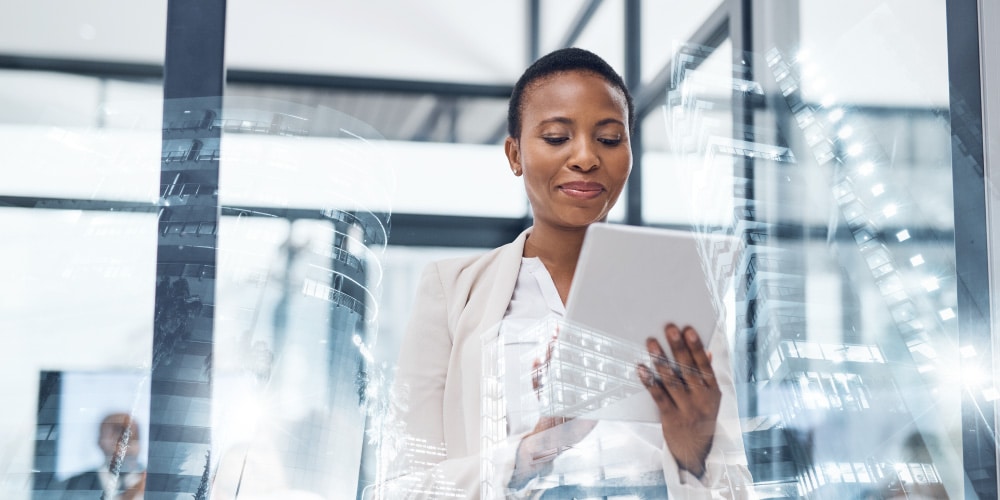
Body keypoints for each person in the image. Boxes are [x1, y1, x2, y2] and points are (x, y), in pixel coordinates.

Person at [387, 47, 751, 499]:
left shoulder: (682, 295)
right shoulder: (452, 290)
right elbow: (399, 488)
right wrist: (533, 451)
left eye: (610, 139)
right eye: (557, 137)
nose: (585, 157)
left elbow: (736, 487)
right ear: (514, 154)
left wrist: (692, 455)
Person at [59, 412, 146, 500]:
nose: (122, 443)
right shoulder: (71, 486)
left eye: (132, 436)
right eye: (115, 432)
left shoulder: (156, 483)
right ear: (99, 441)